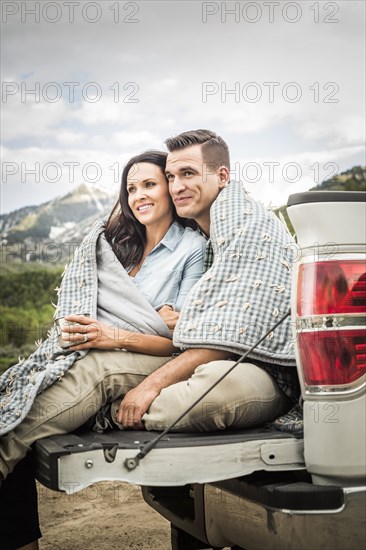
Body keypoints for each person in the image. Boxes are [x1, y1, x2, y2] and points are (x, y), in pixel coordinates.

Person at [1, 130, 300, 548]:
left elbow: (214, 331)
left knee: (65, 395)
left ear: (222, 176)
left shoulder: (212, 240)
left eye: (183, 175)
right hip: (107, 351)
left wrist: (140, 345)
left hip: (142, 360)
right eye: (170, 176)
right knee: (29, 391)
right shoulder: (122, 243)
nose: (176, 186)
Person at [0, 149, 206, 549]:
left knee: (15, 432)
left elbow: (177, 341)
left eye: (149, 184)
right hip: (93, 350)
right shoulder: (116, 245)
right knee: (16, 401)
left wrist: (113, 334)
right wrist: (108, 327)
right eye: (131, 188)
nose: (138, 195)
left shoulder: (191, 249)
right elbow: (87, 308)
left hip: (138, 360)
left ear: (170, 188)